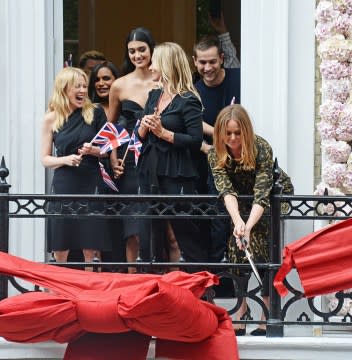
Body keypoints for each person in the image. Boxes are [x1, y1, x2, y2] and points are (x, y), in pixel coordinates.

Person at [207, 104, 294, 336]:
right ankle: (242, 310)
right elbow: (226, 191)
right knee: (237, 251)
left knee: (264, 250)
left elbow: (262, 192)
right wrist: (238, 223)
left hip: (270, 199)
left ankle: (267, 313)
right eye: (228, 133)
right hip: (240, 203)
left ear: (246, 130)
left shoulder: (261, 147)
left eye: (238, 132)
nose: (233, 138)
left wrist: (249, 226)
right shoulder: (215, 152)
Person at [136, 42, 206, 263]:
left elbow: (196, 141)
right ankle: (155, 284)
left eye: (155, 60)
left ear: (166, 64)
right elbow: (139, 137)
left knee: (183, 233)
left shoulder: (188, 99)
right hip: (150, 172)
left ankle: (201, 285)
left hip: (176, 174)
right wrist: (144, 125)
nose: (151, 65)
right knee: (151, 235)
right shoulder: (153, 96)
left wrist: (164, 132)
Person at [41, 67, 110, 269]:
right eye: (77, 86)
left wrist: (93, 151)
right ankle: (57, 292)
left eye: (84, 86)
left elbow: (107, 151)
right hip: (64, 185)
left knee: (91, 245)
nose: (82, 90)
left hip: (90, 182)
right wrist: (65, 159)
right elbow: (45, 159)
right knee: (61, 245)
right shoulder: (51, 118)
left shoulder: (95, 112)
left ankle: (92, 292)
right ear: (64, 89)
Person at [106, 27, 157, 265]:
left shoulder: (163, 80)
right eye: (132, 51)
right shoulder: (119, 85)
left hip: (159, 156)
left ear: (151, 49)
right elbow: (112, 124)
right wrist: (114, 158)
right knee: (133, 227)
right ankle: (132, 282)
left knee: (160, 226)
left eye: (142, 50)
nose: (137, 55)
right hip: (130, 160)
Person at [193, 34, 241, 264]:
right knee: (215, 220)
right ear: (195, 62)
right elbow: (190, 126)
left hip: (242, 161)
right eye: (202, 62)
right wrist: (209, 147)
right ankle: (218, 281)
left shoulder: (240, 80)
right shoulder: (193, 92)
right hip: (209, 165)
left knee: (239, 219)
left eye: (212, 61)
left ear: (222, 58)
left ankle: (239, 278)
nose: (207, 67)